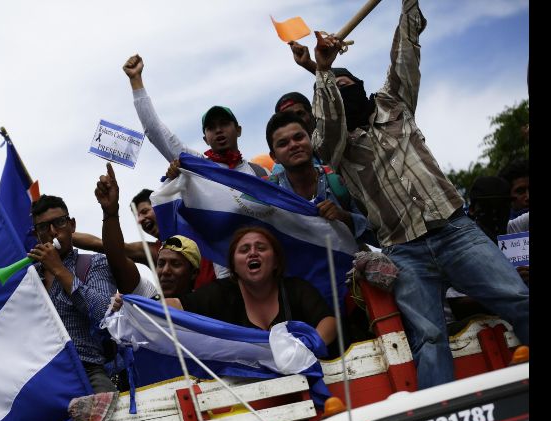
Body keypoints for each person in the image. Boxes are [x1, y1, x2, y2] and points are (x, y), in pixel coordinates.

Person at [306, 0, 529, 388]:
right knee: (428, 339)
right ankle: (443, 419)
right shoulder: (333, 145)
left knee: (519, 298)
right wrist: (323, 71)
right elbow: (327, 126)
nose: (343, 92)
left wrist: (409, 4)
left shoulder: (394, 103)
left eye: (347, 85)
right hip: (403, 252)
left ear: (361, 87)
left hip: (455, 231)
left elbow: (405, 54)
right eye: (335, 93)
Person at [167, 227, 338, 358]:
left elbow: (328, 322)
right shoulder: (220, 292)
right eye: (244, 250)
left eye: (261, 248)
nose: (253, 253)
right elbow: (175, 306)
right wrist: (151, 306)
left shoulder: (296, 288)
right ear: (234, 266)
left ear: (276, 261)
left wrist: (304, 349)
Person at [122, 54, 269, 178]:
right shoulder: (197, 166)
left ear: (238, 130)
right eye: (211, 127)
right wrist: (136, 80)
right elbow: (156, 131)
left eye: (224, 123)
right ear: (205, 139)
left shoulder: (261, 173)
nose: (218, 130)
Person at [27, 195, 118, 393]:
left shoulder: (94, 263)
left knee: (110, 405)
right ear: (36, 234)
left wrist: (59, 270)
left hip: (86, 370)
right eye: (43, 227)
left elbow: (105, 313)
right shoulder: (28, 278)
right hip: (40, 375)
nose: (53, 232)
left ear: (72, 225)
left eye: (59, 222)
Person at [265, 110, 375, 245]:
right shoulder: (270, 196)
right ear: (274, 157)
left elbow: (378, 235)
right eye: (283, 144)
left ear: (311, 139)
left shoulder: (340, 180)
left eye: (299, 137)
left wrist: (344, 218)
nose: (293, 145)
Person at [93, 162, 201, 299]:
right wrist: (110, 212)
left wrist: (184, 173)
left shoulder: (199, 228)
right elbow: (116, 258)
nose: (165, 271)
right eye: (160, 263)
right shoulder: (151, 299)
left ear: (194, 273)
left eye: (175, 264)